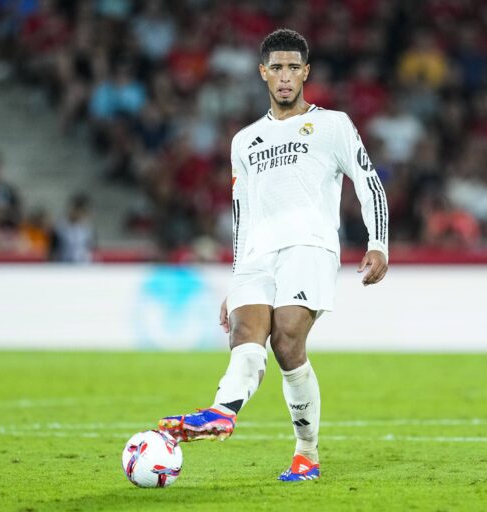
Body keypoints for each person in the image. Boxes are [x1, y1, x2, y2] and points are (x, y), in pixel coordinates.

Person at [158, 29, 389, 481]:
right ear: (263, 73)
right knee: (244, 330)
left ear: (306, 72)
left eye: (293, 68)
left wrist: (377, 242)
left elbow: (369, 182)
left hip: (310, 245)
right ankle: (222, 412)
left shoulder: (333, 125)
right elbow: (241, 214)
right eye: (276, 68)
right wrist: (235, 279)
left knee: (285, 340)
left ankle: (307, 451)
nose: (285, 77)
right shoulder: (244, 141)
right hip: (257, 255)